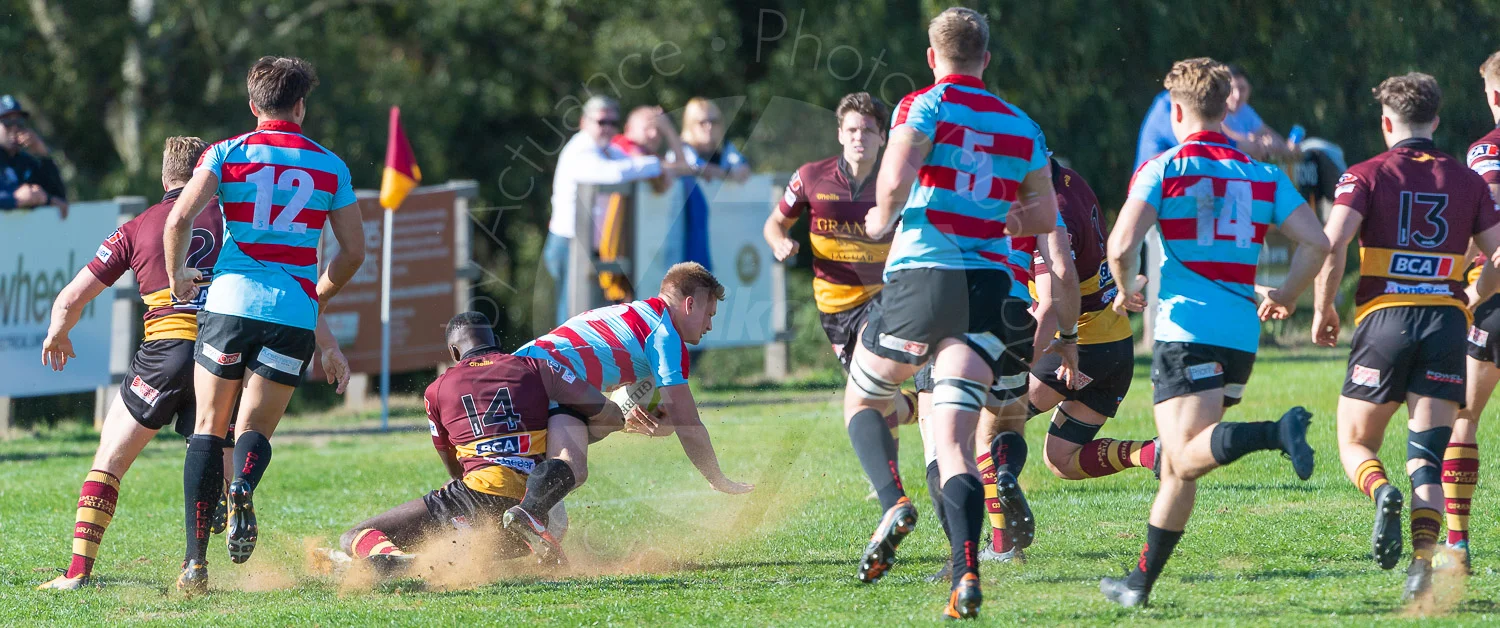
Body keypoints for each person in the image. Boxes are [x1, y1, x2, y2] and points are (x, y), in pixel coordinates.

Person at [34, 137, 351, 589]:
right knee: (216, 453)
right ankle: (227, 502)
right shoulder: (233, 218)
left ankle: (77, 572)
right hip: (222, 352)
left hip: (165, 353)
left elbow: (70, 298)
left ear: (164, 177)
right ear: (205, 173)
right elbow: (288, 286)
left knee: (108, 461)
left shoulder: (138, 226)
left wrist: (58, 332)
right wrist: (329, 344)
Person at [845, 8, 1062, 619]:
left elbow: (895, 179)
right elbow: (1044, 214)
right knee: (958, 442)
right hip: (990, 289)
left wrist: (880, 218)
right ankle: (966, 573)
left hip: (925, 277)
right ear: (986, 59)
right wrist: (1005, 220)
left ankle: (893, 502)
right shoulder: (1023, 125)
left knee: (864, 400)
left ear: (932, 57)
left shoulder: (922, 105)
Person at [1101, 57, 1329, 608]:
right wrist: (1289, 295)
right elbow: (1318, 243)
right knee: (1185, 464)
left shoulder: (1164, 167)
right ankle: (1138, 586)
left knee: (1178, 458)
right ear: (1227, 107)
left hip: (1186, 331)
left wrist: (1126, 283)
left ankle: (1276, 433)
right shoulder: (1262, 173)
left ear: (1176, 111)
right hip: (1241, 335)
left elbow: (1120, 242)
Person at [164, 56, 367, 594]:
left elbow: (179, 218)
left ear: (254, 106)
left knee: (209, 427)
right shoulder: (331, 165)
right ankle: (243, 486)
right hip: (291, 314)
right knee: (255, 428)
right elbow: (354, 252)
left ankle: (194, 565)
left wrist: (177, 278)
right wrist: (316, 294)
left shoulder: (227, 151)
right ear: (301, 106)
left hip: (229, 305)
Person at [1311, 72, 1500, 601]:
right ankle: (1421, 566)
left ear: (1386, 122)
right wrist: (1470, 296)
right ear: (1436, 120)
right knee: (1428, 458)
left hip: (1386, 321)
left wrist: (1323, 307)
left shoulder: (1365, 174)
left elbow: (1334, 243)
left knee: (1356, 440)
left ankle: (1380, 489)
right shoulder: (1467, 180)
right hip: (1444, 324)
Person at [327, 312, 623, 572]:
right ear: (495, 341)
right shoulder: (538, 368)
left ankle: (391, 558)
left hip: (473, 501)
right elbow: (611, 416)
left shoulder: (436, 390)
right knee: (456, 546)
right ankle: (422, 560)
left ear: (455, 352)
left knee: (354, 536)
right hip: (543, 509)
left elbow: (455, 469)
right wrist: (566, 425)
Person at [508, 262, 754, 557]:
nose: (710, 326)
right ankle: (529, 515)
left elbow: (662, 418)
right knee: (572, 468)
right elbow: (689, 423)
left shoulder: (634, 315)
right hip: (553, 379)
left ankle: (500, 530)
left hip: (523, 371)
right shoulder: (665, 337)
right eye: (709, 315)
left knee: (543, 487)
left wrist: (628, 419)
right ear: (690, 304)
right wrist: (716, 477)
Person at [763, 90, 917, 421]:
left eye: (867, 130)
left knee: (869, 390)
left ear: (882, 136)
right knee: (878, 405)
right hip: (833, 306)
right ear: (840, 135)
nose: (859, 138)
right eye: (851, 130)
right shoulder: (810, 177)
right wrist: (779, 242)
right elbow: (775, 223)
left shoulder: (900, 181)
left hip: (884, 296)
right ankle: (919, 408)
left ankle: (932, 406)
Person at [545, 96, 689, 326]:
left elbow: (670, 169)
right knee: (570, 319)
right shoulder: (580, 148)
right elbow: (615, 173)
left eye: (613, 123)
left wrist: (662, 157)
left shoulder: (609, 150)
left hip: (595, 248)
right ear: (584, 122)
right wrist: (657, 166)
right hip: (569, 244)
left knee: (593, 322)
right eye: (602, 122)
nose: (608, 128)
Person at [1453, 51, 1500, 573]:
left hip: (1494, 298)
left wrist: (1471, 291)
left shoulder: (1488, 151)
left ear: (1493, 96)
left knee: (1464, 418)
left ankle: (1459, 544)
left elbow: (1491, 228)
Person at [1133, 64, 1296, 168]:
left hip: (1181, 194)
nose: (1237, 96)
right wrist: (1240, 146)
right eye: (1231, 89)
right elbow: (1198, 144)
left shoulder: (1233, 109)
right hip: (1154, 195)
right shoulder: (1168, 105)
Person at [666, 98, 752, 272]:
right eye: (702, 122)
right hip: (682, 232)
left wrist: (718, 172)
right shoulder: (681, 148)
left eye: (714, 121)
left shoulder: (725, 148)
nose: (709, 126)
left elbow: (742, 172)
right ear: (690, 124)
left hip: (719, 235)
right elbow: (693, 168)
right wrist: (724, 173)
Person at [0, 94, 68, 217]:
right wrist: (15, 199)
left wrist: (43, 153)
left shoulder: (25, 162)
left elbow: (60, 197)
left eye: (19, 121)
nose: (14, 127)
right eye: (7, 121)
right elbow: (18, 198)